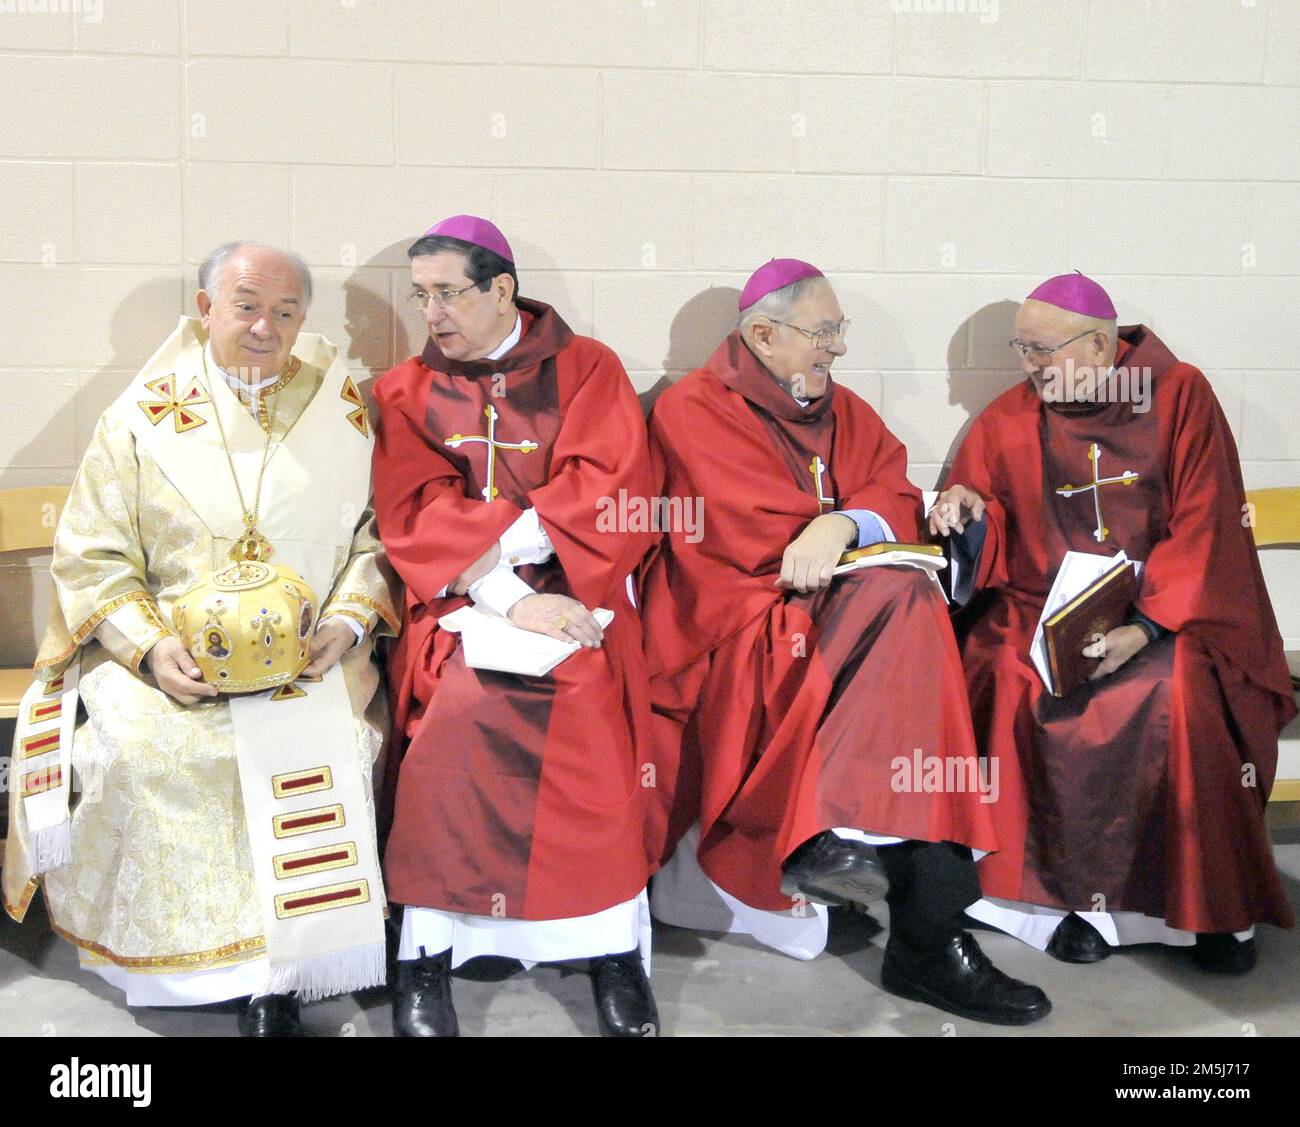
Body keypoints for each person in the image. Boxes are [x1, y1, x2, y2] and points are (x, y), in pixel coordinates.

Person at [640, 258, 1051, 1026]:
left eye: (838, 330)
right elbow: (732, 541)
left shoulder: (841, 407)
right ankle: (928, 926)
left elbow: (891, 488)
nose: (837, 349)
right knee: (904, 606)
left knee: (904, 602)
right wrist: (833, 535)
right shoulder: (696, 409)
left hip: (850, 620)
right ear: (763, 334)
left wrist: (846, 522)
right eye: (822, 332)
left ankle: (865, 839)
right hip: (747, 631)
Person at [2, 242, 400, 1036]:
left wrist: (346, 623)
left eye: (286, 311)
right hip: (169, 657)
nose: (265, 326)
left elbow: (377, 540)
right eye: (246, 304)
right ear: (204, 306)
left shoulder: (343, 415)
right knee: (153, 752)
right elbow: (92, 555)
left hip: (307, 653)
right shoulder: (142, 420)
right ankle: (191, 976)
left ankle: (278, 976)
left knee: (335, 746)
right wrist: (151, 648)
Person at [932, 272, 1296, 972]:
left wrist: (1147, 627)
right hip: (1042, 608)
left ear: (1098, 345)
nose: (1029, 366)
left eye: (1041, 350)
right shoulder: (1015, 413)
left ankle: (1203, 916)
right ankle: (1057, 908)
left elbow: (1208, 522)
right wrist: (968, 510)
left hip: (1165, 611)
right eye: (1021, 350)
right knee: (1007, 672)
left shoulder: (1180, 393)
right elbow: (992, 515)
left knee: (1177, 692)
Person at [372, 215, 660, 1037]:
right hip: (462, 600)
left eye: (449, 293)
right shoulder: (404, 390)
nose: (432, 313)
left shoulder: (588, 368)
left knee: (587, 707)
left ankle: (611, 950)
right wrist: (502, 589)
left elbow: (609, 485)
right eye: (420, 295)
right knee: (456, 716)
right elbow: (412, 507)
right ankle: (427, 954)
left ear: (502, 289)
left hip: (582, 583)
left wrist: (519, 550)